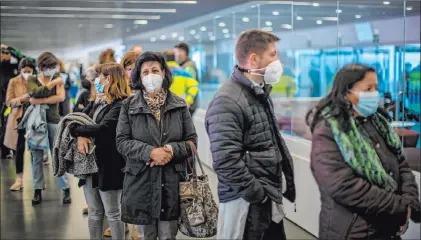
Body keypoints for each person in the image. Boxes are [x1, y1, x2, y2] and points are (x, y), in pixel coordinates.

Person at [306, 63, 421, 239]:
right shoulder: (329, 129)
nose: (375, 94)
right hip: (353, 230)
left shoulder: (378, 123)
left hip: (387, 228)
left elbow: (401, 164)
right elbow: (343, 186)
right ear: (346, 93)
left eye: (376, 88)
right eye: (368, 89)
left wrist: (410, 201)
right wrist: (400, 206)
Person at [205, 29, 296, 240]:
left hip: (265, 198)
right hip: (247, 203)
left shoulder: (259, 91)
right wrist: (258, 194)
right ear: (254, 59)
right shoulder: (228, 100)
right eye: (273, 54)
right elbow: (225, 160)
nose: (278, 60)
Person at [116, 52, 197, 240]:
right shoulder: (128, 106)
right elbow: (121, 141)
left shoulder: (179, 104)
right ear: (139, 77)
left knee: (169, 235)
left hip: (172, 182)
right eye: (145, 72)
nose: (150, 75)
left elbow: (192, 141)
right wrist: (151, 152)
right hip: (141, 182)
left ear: (163, 73)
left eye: (154, 70)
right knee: (147, 235)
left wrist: (170, 150)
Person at [71, 63, 130, 240]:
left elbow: (103, 128)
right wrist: (80, 133)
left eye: (100, 77)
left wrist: (77, 131)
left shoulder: (121, 104)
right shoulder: (100, 102)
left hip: (110, 165)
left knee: (113, 212)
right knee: (95, 212)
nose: (97, 81)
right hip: (91, 165)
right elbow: (79, 118)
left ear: (109, 79)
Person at [26, 52, 72, 205]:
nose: (52, 69)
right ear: (41, 67)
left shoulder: (58, 76)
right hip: (36, 122)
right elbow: (33, 93)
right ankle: (37, 189)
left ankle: (65, 189)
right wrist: (51, 85)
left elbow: (60, 97)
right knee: (36, 158)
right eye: (49, 67)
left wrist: (39, 100)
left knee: (57, 155)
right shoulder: (33, 79)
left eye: (54, 66)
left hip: (53, 120)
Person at [5, 58, 36, 191]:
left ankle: (38, 180)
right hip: (18, 120)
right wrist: (21, 99)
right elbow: (8, 101)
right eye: (25, 71)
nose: (27, 73)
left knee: (36, 151)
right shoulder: (13, 81)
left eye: (30, 71)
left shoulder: (36, 80)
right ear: (20, 70)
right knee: (19, 149)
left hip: (34, 119)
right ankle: (19, 179)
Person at [1, 44, 26, 159]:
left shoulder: (14, 66)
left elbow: (24, 59)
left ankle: (16, 149)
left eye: (6, 53)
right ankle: (4, 151)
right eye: (2, 53)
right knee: (3, 126)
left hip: (14, 102)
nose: (4, 55)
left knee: (15, 125)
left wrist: (11, 49)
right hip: (3, 101)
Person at [162, 50, 199, 116]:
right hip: (180, 105)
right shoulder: (182, 72)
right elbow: (194, 85)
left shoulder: (161, 73)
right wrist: (189, 100)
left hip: (164, 106)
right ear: (174, 58)